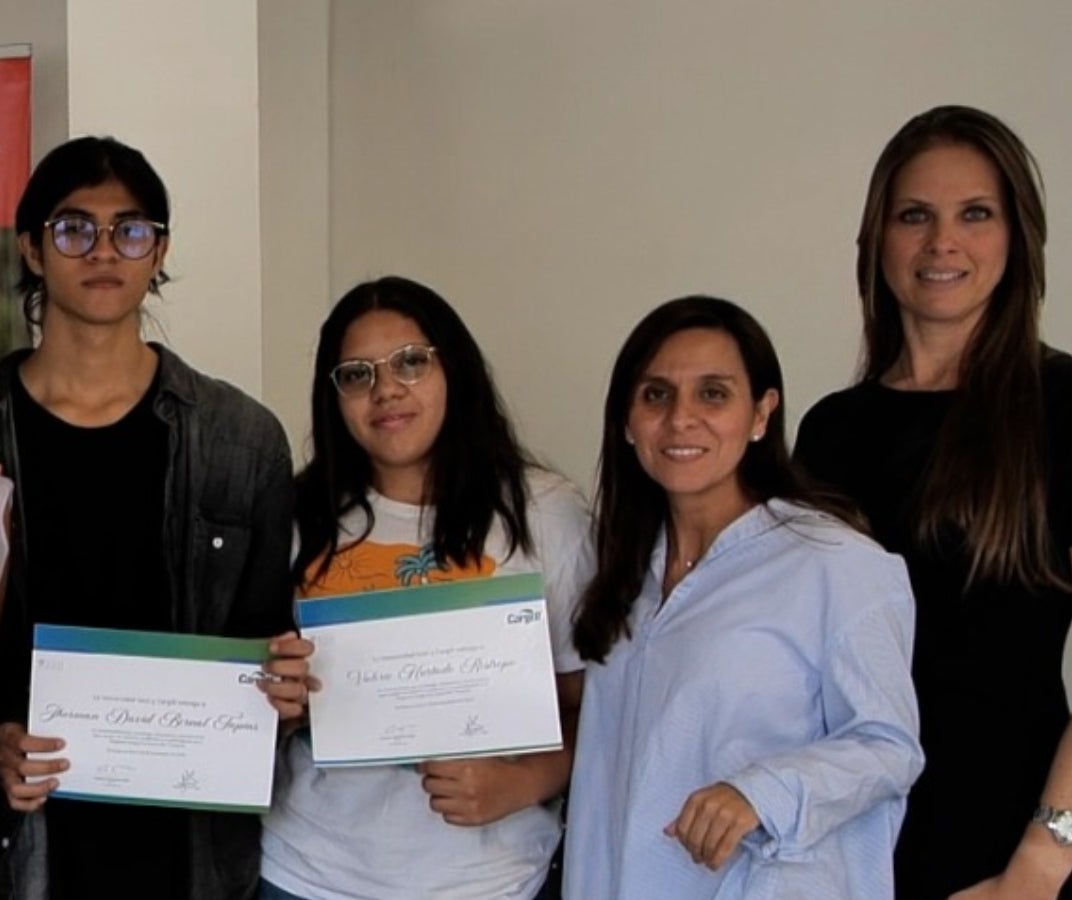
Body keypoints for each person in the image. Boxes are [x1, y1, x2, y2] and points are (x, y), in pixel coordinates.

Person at [0, 135, 311, 900]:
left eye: (130, 230)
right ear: (33, 249)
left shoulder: (242, 438)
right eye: (75, 228)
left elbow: (265, 636)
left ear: (159, 250)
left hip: (189, 849)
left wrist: (288, 692)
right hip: (21, 846)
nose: (104, 250)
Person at [794, 105, 1072, 899]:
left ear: (1017, 237)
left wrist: (1045, 859)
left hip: (1011, 857)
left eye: (975, 214)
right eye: (914, 215)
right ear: (876, 239)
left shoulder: (1063, 403)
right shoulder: (830, 431)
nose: (942, 242)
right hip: (851, 847)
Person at [562, 295, 922, 899]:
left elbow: (889, 748)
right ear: (626, 420)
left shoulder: (834, 563)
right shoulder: (619, 577)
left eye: (713, 394)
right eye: (656, 395)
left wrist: (763, 792)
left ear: (761, 414)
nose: (681, 419)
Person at [258, 276, 593, 900]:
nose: (386, 389)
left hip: (489, 880)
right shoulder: (298, 513)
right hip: (307, 871)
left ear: (453, 370)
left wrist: (522, 783)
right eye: (356, 374)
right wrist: (278, 701)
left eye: (411, 362)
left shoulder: (544, 510)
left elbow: (593, 705)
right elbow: (259, 702)